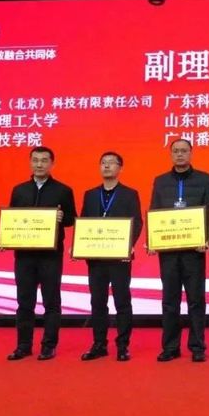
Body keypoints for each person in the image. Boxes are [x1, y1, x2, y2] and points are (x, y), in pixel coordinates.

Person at [5, 146, 76, 361]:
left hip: (50, 256)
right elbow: (11, 221)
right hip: (24, 256)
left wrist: (62, 218)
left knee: (51, 302)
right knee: (24, 302)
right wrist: (3, 239)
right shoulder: (19, 190)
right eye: (35, 160)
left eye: (44, 160)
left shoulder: (63, 190)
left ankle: (48, 345)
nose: (39, 164)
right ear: (30, 162)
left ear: (52, 164)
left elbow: (72, 219)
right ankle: (23, 345)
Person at [150, 139, 209, 363]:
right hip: (168, 251)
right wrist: (153, 240)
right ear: (171, 154)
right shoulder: (161, 181)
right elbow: (155, 210)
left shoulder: (204, 179)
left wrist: (207, 238)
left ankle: (197, 346)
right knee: (170, 300)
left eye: (184, 151)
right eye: (176, 151)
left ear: (191, 153)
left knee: (196, 300)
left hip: (194, 251)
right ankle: (170, 347)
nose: (180, 154)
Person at [79, 152, 143, 362]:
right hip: (96, 258)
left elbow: (137, 222)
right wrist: (79, 246)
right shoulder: (90, 194)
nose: (106, 166)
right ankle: (99, 344)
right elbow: (84, 222)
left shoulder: (129, 194)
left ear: (120, 168)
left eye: (111, 163)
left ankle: (123, 345)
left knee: (122, 301)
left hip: (119, 258)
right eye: (103, 163)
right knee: (98, 302)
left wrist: (128, 246)